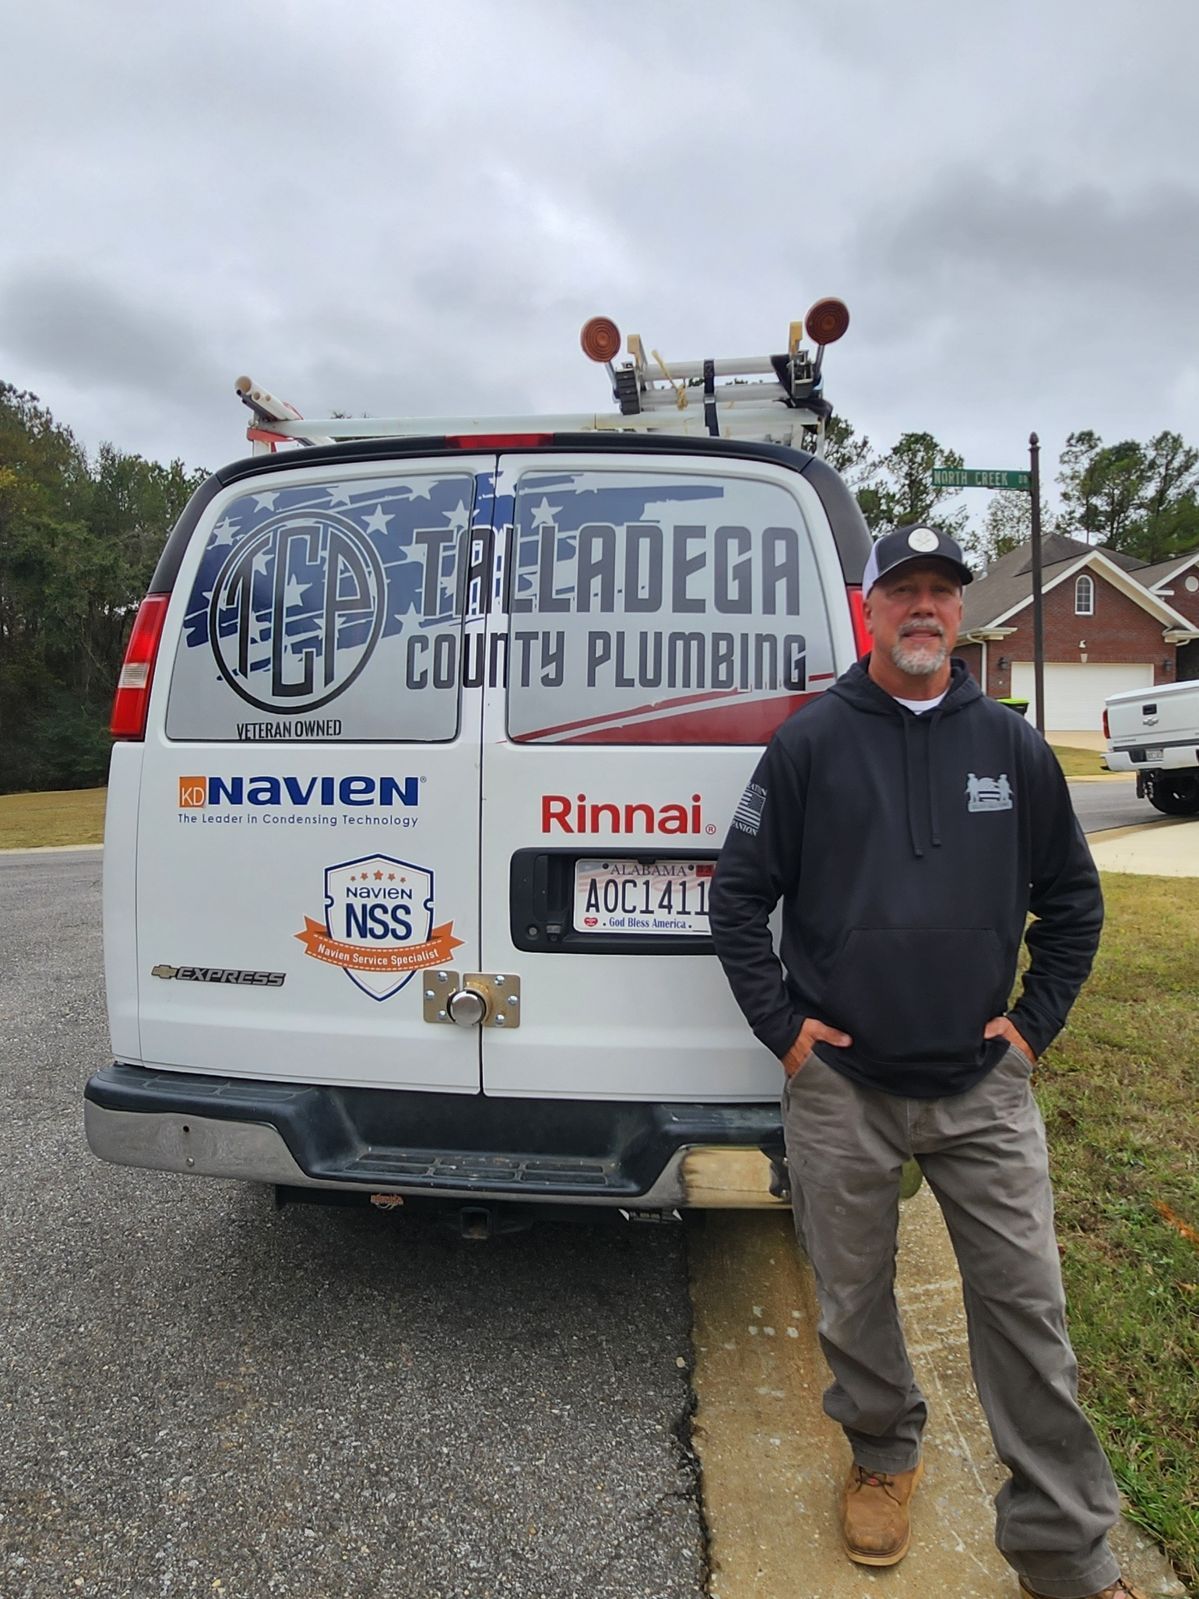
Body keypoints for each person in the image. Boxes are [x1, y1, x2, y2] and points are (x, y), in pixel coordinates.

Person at [708, 524, 1143, 1599]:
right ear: (867, 608)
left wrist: (1030, 1027)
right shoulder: (808, 744)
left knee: (1024, 1313)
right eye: (900, 589)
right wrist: (786, 1034)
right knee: (851, 1303)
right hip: (841, 1092)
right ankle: (882, 1454)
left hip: (979, 1089)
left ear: (960, 615)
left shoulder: (1009, 745)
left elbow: (1072, 904)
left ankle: (1062, 1550)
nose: (921, 608)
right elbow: (736, 898)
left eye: (939, 593)